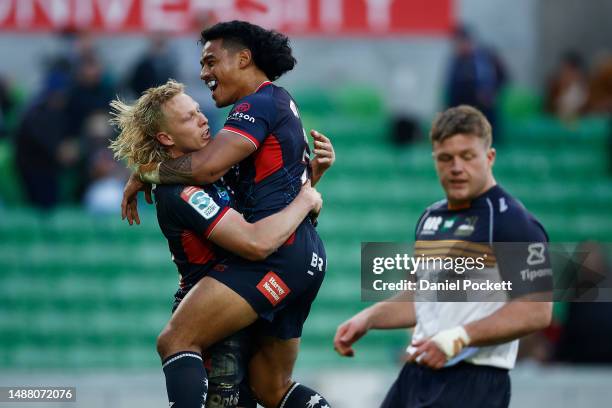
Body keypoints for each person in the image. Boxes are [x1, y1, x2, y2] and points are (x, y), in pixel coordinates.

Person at [120, 21, 334, 408]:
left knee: (175, 340)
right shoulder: (278, 102)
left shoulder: (255, 104)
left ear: (244, 58)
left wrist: (144, 172)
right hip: (301, 254)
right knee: (271, 388)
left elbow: (210, 177)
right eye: (189, 117)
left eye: (210, 61)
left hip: (273, 256)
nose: (204, 74)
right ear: (166, 137)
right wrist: (309, 189)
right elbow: (269, 183)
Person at [334, 105, 552, 407]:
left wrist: (458, 338)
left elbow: (536, 310)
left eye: (467, 156)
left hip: (474, 382)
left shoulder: (512, 221)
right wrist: (369, 318)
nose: (457, 167)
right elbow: (423, 299)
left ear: (489, 158)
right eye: (446, 158)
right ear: (435, 160)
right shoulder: (430, 218)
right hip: (419, 371)